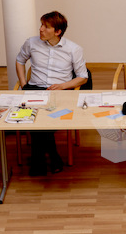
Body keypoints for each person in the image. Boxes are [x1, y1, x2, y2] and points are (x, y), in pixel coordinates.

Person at [15, 11, 88, 176]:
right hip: (34, 89)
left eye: (46, 27)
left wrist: (63, 86)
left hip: (59, 92)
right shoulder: (31, 43)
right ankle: (53, 157)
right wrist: (23, 84)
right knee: (35, 118)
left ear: (57, 32)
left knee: (41, 121)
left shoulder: (73, 49)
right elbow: (20, 60)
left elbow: (83, 77)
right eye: (41, 25)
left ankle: (38, 161)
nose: (40, 29)